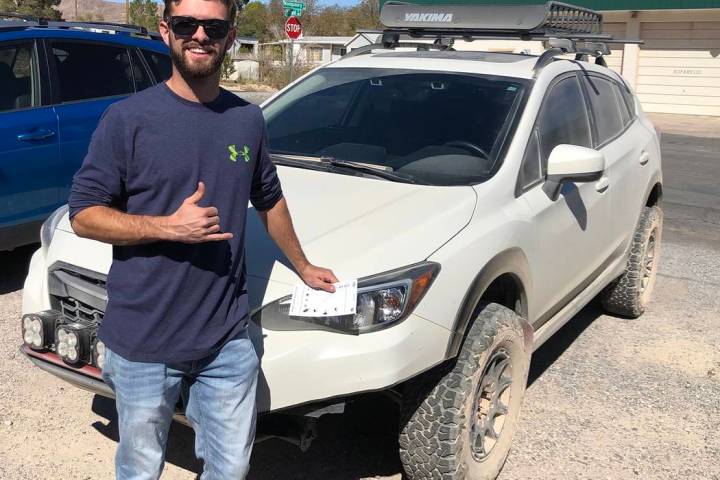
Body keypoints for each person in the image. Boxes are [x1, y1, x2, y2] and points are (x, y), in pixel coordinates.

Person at [68, 0, 338, 477]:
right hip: (144, 339)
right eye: (186, 23)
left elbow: (269, 198)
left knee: (230, 468)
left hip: (226, 339)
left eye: (213, 26)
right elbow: (84, 216)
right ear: (164, 29)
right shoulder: (128, 120)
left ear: (230, 36)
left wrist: (303, 264)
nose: (199, 35)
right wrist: (167, 227)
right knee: (140, 466)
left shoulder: (246, 119)